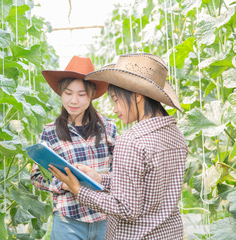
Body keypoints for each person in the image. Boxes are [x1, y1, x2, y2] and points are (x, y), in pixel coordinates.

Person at [49, 53, 188, 239]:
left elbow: (126, 208)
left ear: (137, 96)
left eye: (115, 99)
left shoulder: (131, 142)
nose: (115, 108)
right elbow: (143, 187)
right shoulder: (176, 136)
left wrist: (78, 190)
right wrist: (99, 178)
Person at [30, 56, 118, 240]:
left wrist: (102, 178)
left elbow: (123, 171)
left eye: (81, 94)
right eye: (68, 93)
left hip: (105, 218)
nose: (73, 100)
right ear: (61, 93)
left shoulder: (109, 128)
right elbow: (36, 176)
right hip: (68, 221)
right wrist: (63, 184)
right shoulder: (50, 132)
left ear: (91, 95)